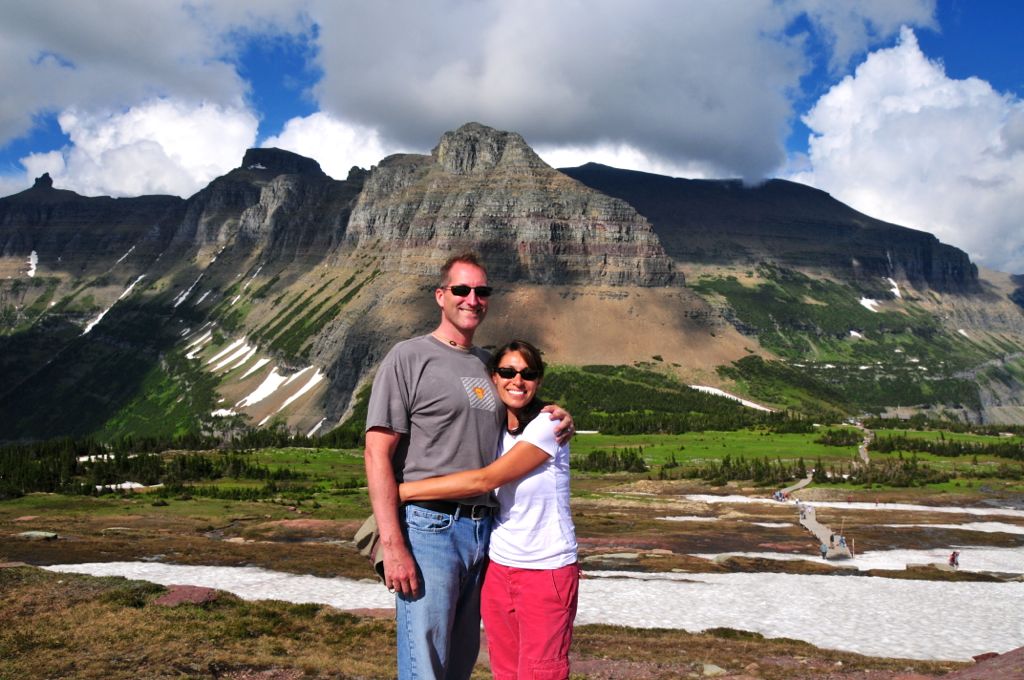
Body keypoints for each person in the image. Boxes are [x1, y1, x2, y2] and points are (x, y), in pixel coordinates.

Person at [364, 252, 573, 679]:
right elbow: (377, 452)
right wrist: (393, 542)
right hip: (428, 528)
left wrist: (558, 415)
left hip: (484, 534)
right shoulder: (408, 357)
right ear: (441, 296)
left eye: (481, 291)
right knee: (425, 662)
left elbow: (517, 416)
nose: (471, 298)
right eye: (461, 289)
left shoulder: (487, 364)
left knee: (460, 662)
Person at [400, 340, 579, 680]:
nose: (518, 381)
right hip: (499, 569)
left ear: (539, 381)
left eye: (528, 374)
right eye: (508, 372)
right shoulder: (496, 428)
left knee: (540, 672)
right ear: (493, 378)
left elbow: (485, 480)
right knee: (506, 671)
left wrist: (403, 491)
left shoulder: (546, 427)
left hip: (546, 569)